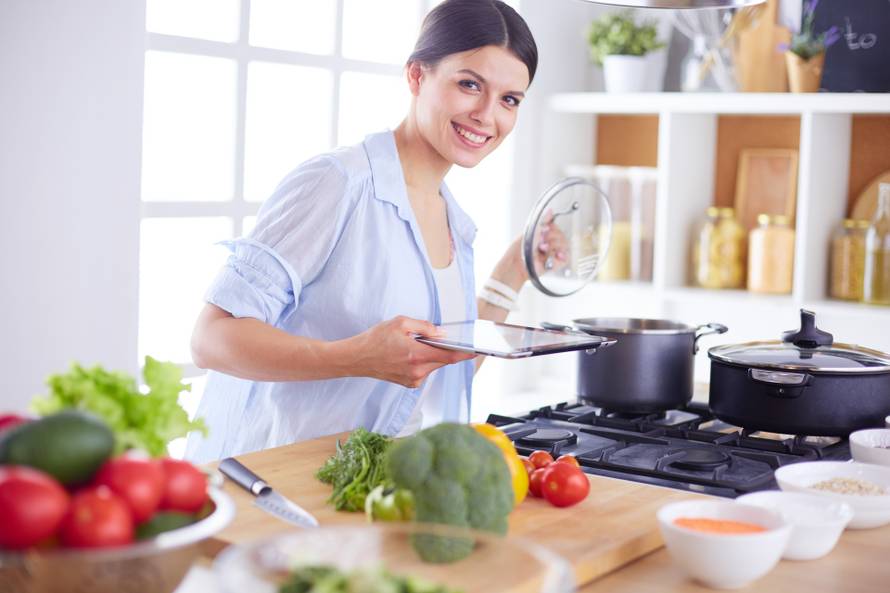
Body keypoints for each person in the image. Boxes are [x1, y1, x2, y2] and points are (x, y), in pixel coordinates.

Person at [185, 0, 548, 463]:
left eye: (509, 100)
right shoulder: (338, 183)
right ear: (417, 76)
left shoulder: (455, 221)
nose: (486, 114)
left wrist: (515, 267)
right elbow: (211, 339)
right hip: (270, 482)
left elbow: (436, 373)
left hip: (367, 491)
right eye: (469, 84)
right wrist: (356, 356)